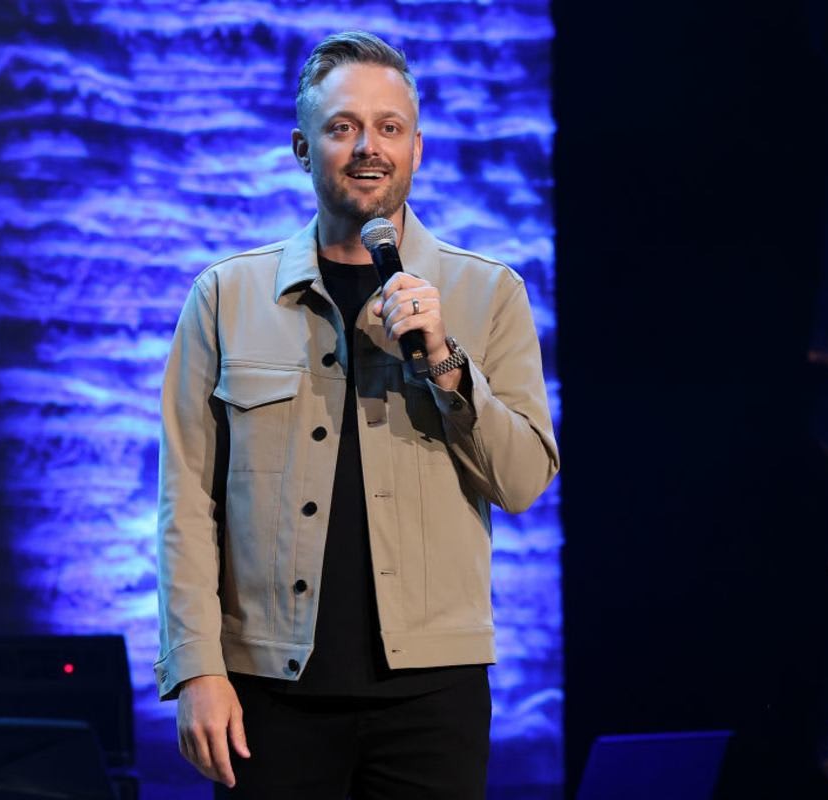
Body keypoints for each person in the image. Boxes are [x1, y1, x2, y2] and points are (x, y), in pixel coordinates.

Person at [155, 30, 559, 799]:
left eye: (388, 128)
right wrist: (198, 669)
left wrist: (443, 359)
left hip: (431, 698)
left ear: (416, 148)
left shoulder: (488, 293)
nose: (367, 147)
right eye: (342, 127)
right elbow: (187, 505)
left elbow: (523, 482)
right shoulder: (224, 298)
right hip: (268, 695)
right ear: (304, 148)